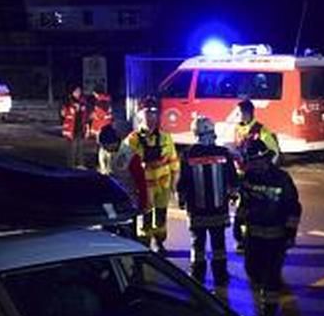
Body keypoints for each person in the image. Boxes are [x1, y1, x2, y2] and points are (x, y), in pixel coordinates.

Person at [238, 138, 302, 316]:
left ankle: (269, 310)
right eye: (251, 162)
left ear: (266, 160)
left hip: (276, 237)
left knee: (272, 275)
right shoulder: (248, 178)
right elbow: (245, 203)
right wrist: (238, 225)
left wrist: (290, 233)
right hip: (253, 235)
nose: (254, 165)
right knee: (253, 270)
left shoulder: (282, 179)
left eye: (257, 161)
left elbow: (294, 208)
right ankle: (265, 298)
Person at [177, 116, 240, 284]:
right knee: (218, 243)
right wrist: (234, 195)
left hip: (197, 209)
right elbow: (232, 178)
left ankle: (197, 274)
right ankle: (220, 274)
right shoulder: (223, 153)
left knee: (198, 243)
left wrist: (182, 199)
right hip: (218, 208)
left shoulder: (187, 154)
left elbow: (183, 181)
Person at [125, 98, 179, 254]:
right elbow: (124, 165)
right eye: (148, 113)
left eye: (154, 113)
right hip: (143, 187)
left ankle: (159, 242)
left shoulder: (165, 137)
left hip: (163, 185)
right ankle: (144, 247)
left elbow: (173, 161)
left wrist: (175, 183)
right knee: (145, 219)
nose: (151, 117)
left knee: (161, 217)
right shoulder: (133, 139)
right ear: (141, 115)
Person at [96, 124, 141, 239]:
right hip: (109, 201)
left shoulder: (129, 155)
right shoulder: (103, 151)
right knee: (108, 231)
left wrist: (143, 202)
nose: (105, 149)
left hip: (127, 201)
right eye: (103, 146)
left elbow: (140, 180)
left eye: (106, 146)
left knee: (127, 233)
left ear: (115, 142)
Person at [60, 85, 90, 168]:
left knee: (80, 148)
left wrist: (87, 128)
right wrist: (72, 108)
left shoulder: (83, 101)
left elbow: (86, 115)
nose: (78, 93)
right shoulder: (67, 101)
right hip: (70, 129)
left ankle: (81, 164)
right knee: (71, 149)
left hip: (80, 128)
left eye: (79, 91)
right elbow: (63, 114)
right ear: (72, 92)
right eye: (76, 91)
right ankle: (71, 166)